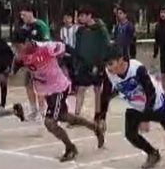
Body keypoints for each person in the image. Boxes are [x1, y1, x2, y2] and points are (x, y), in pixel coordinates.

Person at [12, 28, 105, 162]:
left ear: (27, 41)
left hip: (58, 87)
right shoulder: (20, 55)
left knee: (50, 122)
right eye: (15, 46)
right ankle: (95, 127)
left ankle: (70, 148)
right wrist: (13, 69)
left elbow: (68, 49)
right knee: (64, 116)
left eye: (19, 45)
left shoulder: (47, 48)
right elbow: (16, 64)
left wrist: (84, 65)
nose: (17, 49)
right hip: (46, 90)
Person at [99, 47, 165, 169]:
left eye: (111, 64)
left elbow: (151, 93)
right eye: (106, 65)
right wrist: (101, 116)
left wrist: (145, 117)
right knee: (130, 134)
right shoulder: (109, 73)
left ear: (121, 60)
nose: (109, 68)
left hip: (156, 102)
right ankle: (153, 153)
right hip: (135, 104)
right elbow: (106, 93)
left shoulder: (137, 69)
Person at [74, 7, 111, 121]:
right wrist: (77, 62)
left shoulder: (100, 29)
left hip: (97, 64)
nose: (80, 18)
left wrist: (100, 63)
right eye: (79, 16)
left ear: (89, 15)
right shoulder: (80, 31)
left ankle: (98, 114)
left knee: (97, 89)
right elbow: (78, 47)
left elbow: (106, 46)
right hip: (83, 64)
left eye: (82, 16)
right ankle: (76, 115)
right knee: (80, 89)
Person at [18, 6, 50, 121]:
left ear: (31, 13)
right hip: (28, 61)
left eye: (24, 15)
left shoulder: (40, 26)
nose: (22, 17)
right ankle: (33, 110)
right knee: (28, 85)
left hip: (39, 61)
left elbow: (46, 43)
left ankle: (42, 111)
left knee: (40, 86)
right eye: (21, 15)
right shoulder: (24, 28)